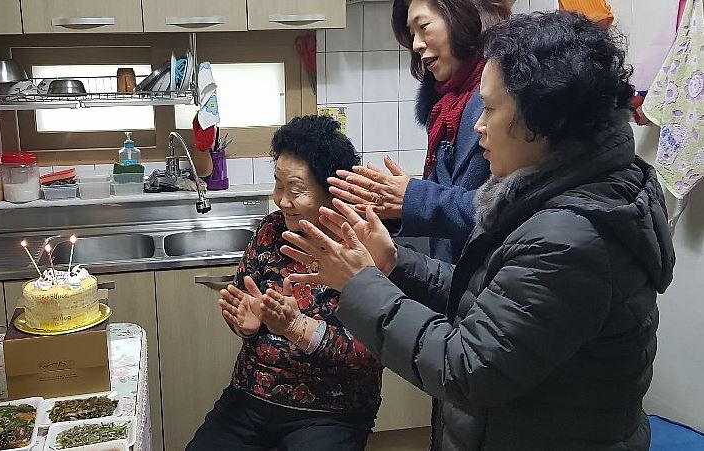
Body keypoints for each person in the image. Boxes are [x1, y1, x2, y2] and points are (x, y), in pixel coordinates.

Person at [276, 12, 676, 450]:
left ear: (540, 118)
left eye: (488, 108)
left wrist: (361, 284)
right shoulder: (555, 197)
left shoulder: (571, 237)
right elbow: (487, 299)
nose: (478, 126)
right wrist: (394, 263)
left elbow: (464, 368)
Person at [186, 115, 383, 451]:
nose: (281, 200)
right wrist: (247, 326)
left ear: (333, 190)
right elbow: (245, 305)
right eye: (278, 185)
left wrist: (298, 327)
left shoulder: (361, 244)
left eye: (296, 190)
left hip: (331, 410)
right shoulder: (270, 231)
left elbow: (374, 349)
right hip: (251, 397)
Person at [328, 0, 510, 262]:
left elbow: (507, 207)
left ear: (461, 16)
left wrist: (413, 198)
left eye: (423, 26)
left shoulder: (505, 96)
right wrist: (392, 208)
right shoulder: (445, 106)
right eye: (412, 33)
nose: (415, 44)